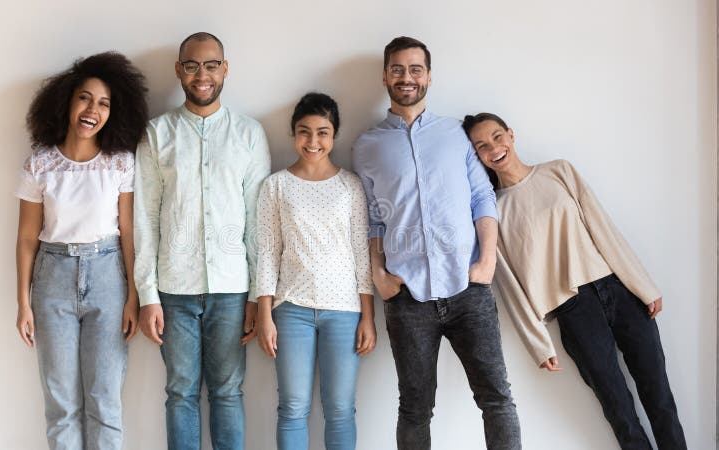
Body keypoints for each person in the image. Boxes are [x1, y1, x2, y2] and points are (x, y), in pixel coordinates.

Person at [462, 112, 687, 450]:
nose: (493, 148)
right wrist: (538, 342)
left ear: (511, 134)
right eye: (481, 146)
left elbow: (602, 227)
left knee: (660, 398)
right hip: (573, 310)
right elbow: (507, 282)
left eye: (497, 137)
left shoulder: (558, 171)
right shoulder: (492, 208)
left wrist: (643, 285)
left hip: (617, 289)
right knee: (619, 411)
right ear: (476, 156)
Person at [352, 37, 521, 450]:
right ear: (385, 76)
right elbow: (374, 215)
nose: (406, 77)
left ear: (428, 76)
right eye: (397, 69)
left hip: (469, 289)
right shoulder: (367, 145)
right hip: (407, 296)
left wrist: (487, 262)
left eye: (415, 69)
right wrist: (379, 274)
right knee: (414, 407)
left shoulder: (456, 135)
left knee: (496, 398)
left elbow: (483, 196)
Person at [134, 32, 271, 450]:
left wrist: (256, 294)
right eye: (192, 65)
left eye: (211, 65)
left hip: (232, 288)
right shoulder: (157, 134)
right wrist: (146, 295)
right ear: (179, 70)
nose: (202, 74)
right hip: (173, 289)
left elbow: (259, 220)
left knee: (228, 392)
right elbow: (144, 217)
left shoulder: (249, 133)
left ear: (224, 69)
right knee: (180, 393)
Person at [14, 51, 148, 450]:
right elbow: (26, 238)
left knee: (104, 400)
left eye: (104, 103)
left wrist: (133, 296)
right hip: (52, 279)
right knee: (61, 404)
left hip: (108, 277)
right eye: (85, 98)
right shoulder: (40, 164)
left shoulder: (120, 163)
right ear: (67, 103)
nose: (93, 110)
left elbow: (128, 232)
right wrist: (23, 302)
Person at [256, 93, 376, 450]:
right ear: (293, 134)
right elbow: (266, 253)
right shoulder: (275, 186)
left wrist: (367, 318)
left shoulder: (350, 186)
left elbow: (361, 254)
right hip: (291, 309)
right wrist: (264, 313)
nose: (313, 141)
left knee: (340, 409)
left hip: (343, 311)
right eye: (304, 132)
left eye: (322, 132)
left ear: (334, 134)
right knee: (293, 407)